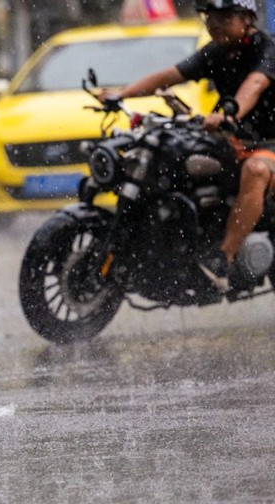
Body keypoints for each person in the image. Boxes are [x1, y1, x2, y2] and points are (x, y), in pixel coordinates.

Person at [99, 0, 275, 292]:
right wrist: (122, 94)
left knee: (256, 169)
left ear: (247, 18)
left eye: (224, 17)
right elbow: (169, 76)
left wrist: (229, 115)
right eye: (210, 17)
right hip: (235, 141)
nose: (214, 24)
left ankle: (223, 258)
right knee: (180, 157)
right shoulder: (216, 52)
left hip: (268, 144)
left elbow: (255, 85)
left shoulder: (267, 49)